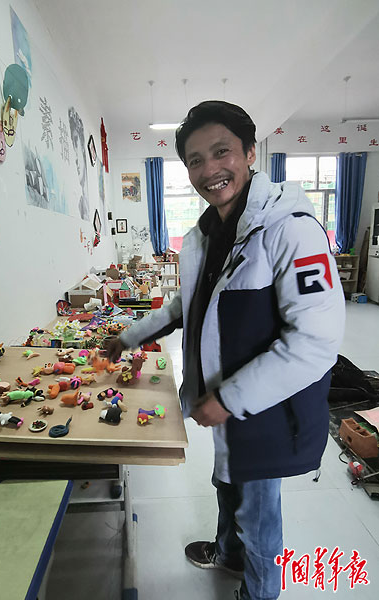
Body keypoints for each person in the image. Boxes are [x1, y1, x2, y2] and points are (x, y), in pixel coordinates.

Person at [107, 101, 345, 600]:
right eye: (195, 160)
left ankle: (258, 592)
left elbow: (315, 341)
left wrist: (229, 399)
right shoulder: (209, 232)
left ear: (250, 152)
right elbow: (185, 304)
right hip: (226, 404)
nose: (209, 169)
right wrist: (128, 337)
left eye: (222, 152)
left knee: (259, 514)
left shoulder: (291, 228)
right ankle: (227, 553)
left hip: (267, 408)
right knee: (227, 483)